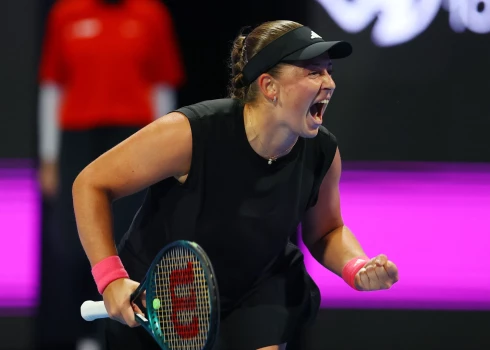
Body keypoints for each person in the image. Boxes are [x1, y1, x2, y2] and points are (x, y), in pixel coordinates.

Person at [72, 20, 399, 350]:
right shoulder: (191, 134)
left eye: (328, 71)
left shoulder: (322, 151)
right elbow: (91, 184)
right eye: (313, 72)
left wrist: (357, 266)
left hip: (255, 291)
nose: (329, 82)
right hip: (162, 298)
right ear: (269, 86)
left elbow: (327, 230)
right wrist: (110, 280)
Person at [35, 0, 185, 348]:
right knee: (75, 242)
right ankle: (87, 336)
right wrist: (49, 157)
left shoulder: (151, 14)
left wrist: (167, 151)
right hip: (77, 140)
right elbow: (52, 86)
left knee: (130, 237)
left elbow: (162, 84)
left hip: (133, 136)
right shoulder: (65, 13)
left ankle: (124, 334)